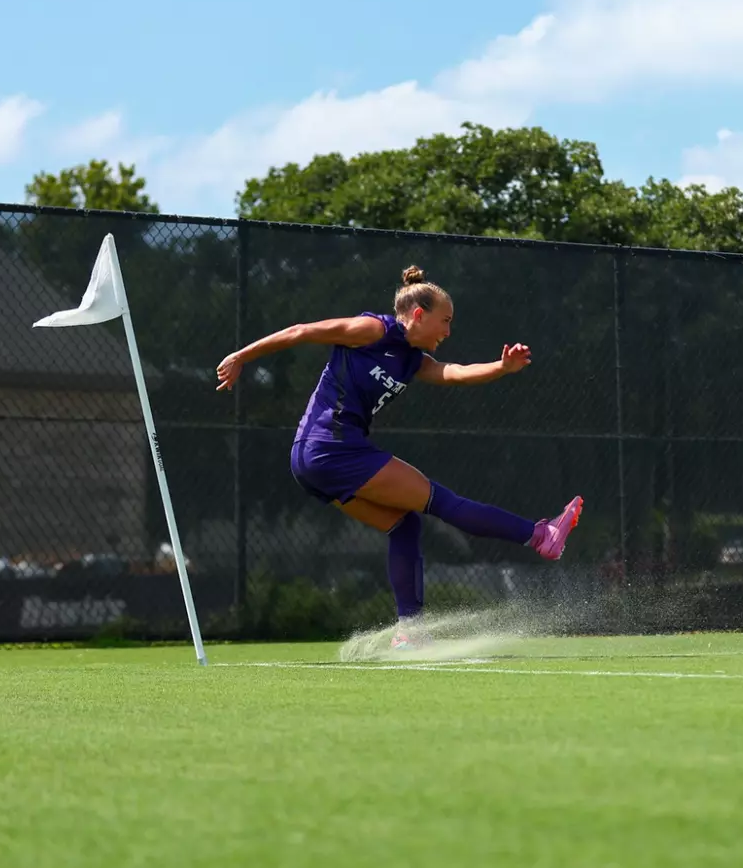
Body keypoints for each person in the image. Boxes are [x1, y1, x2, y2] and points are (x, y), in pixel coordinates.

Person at [215, 266, 582, 649]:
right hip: (329, 448)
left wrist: (502, 368)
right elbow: (300, 331)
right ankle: (540, 535)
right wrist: (241, 355)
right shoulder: (373, 330)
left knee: (404, 526)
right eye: (445, 321)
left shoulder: (412, 359)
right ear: (419, 314)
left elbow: (454, 373)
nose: (448, 331)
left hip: (316, 461)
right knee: (443, 502)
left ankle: (409, 634)